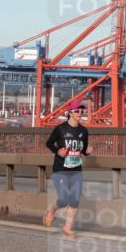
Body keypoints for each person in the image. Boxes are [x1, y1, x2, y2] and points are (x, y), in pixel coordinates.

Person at [43, 101, 92, 238]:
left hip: (76, 170)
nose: (80, 113)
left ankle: (67, 228)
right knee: (64, 200)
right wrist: (58, 151)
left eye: (82, 111)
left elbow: (83, 149)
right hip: (61, 169)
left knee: (75, 201)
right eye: (77, 111)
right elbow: (48, 143)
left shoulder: (84, 131)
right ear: (70, 113)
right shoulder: (60, 129)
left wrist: (88, 151)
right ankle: (52, 210)